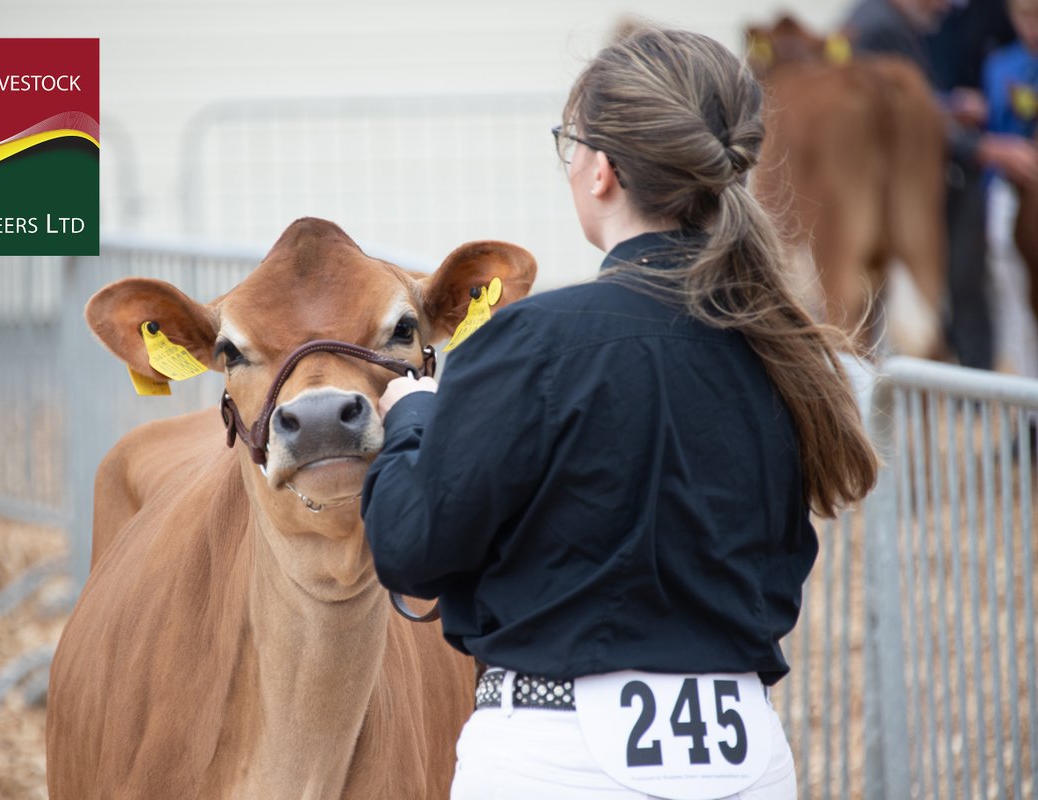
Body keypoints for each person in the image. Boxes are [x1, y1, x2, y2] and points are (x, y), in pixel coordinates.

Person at [361, 24, 878, 799]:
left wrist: (413, 420)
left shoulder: (531, 339)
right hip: (748, 754)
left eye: (571, 143)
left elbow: (412, 546)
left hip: (554, 754)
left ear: (601, 169)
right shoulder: (790, 348)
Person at [845, 0, 1038, 369]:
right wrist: (983, 146)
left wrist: (946, 106)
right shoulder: (878, 26)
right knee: (969, 288)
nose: (949, 6)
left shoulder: (880, 20)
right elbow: (903, 117)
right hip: (913, 186)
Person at [982, 0, 1038, 381]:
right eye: (1024, 17)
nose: (1031, 27)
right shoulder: (1001, 65)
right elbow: (996, 125)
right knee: (1012, 299)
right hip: (1008, 192)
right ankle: (1027, 407)